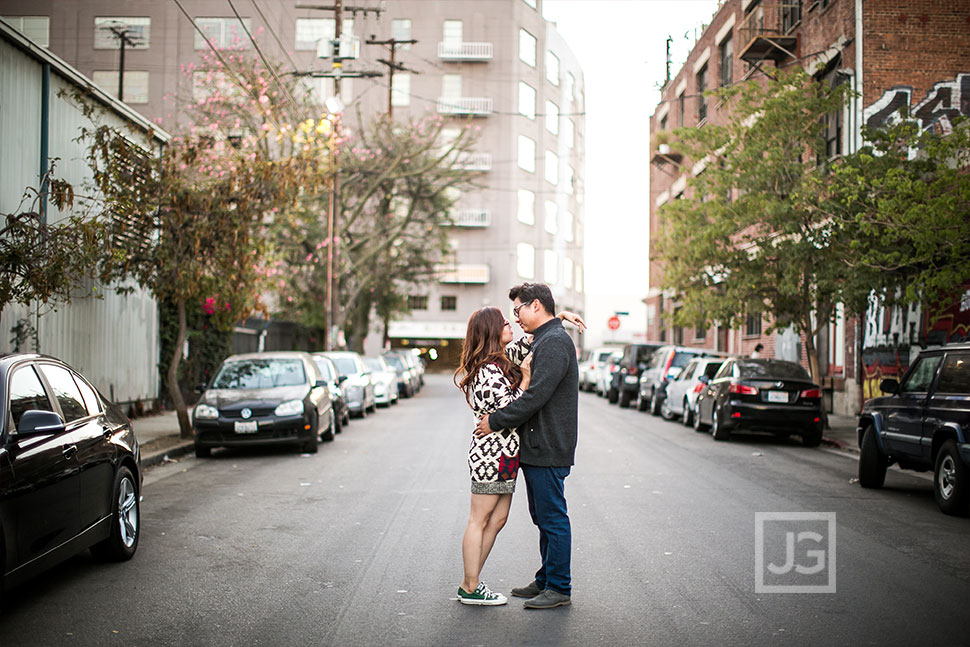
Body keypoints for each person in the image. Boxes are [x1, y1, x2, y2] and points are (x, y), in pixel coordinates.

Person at [475, 283, 579, 610]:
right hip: (537, 446)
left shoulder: (554, 343)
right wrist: (558, 316)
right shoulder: (547, 338)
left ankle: (559, 587)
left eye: (518, 309)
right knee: (542, 517)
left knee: (552, 518)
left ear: (535, 306)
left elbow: (535, 396)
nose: (515, 317)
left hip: (548, 446)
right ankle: (547, 579)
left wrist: (495, 421)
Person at [453, 306, 532, 605]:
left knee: (498, 519)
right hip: (490, 455)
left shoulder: (498, 361)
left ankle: (471, 582)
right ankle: (470, 586)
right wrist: (524, 378)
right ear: (491, 331)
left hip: (506, 454)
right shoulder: (486, 370)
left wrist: (558, 318)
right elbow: (512, 408)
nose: (511, 323)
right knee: (479, 519)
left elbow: (528, 342)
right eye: (504, 322)